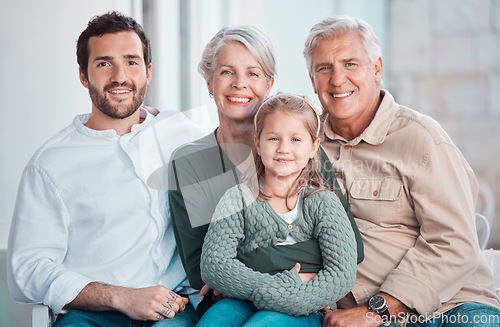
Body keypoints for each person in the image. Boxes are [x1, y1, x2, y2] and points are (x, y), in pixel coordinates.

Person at [8, 11, 205, 326]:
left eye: (131, 62)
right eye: (104, 63)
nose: (120, 76)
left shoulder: (181, 133)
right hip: (91, 315)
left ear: (148, 71)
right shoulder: (51, 163)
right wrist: (121, 297)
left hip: (173, 310)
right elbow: (28, 270)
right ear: (84, 76)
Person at [303, 15, 500, 327]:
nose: (337, 79)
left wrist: (378, 311)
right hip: (354, 314)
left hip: (453, 307)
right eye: (324, 68)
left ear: (377, 68)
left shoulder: (420, 138)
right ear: (312, 79)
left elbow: (454, 242)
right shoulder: (304, 144)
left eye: (351, 64)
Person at [167, 26, 364, 316]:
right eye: (226, 72)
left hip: (302, 300)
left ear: (269, 83)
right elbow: (202, 271)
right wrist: (293, 272)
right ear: (209, 83)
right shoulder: (188, 163)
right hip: (228, 305)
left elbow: (350, 249)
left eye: (253, 73)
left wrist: (243, 266)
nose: (239, 84)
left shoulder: (303, 152)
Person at [196, 93, 357, 327]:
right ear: (258, 143)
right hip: (243, 297)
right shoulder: (237, 199)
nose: (283, 148)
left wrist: (295, 300)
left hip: (304, 304)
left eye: (295, 139)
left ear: (313, 147)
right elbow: (214, 264)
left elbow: (342, 274)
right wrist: (271, 290)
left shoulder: (323, 202)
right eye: (273, 138)